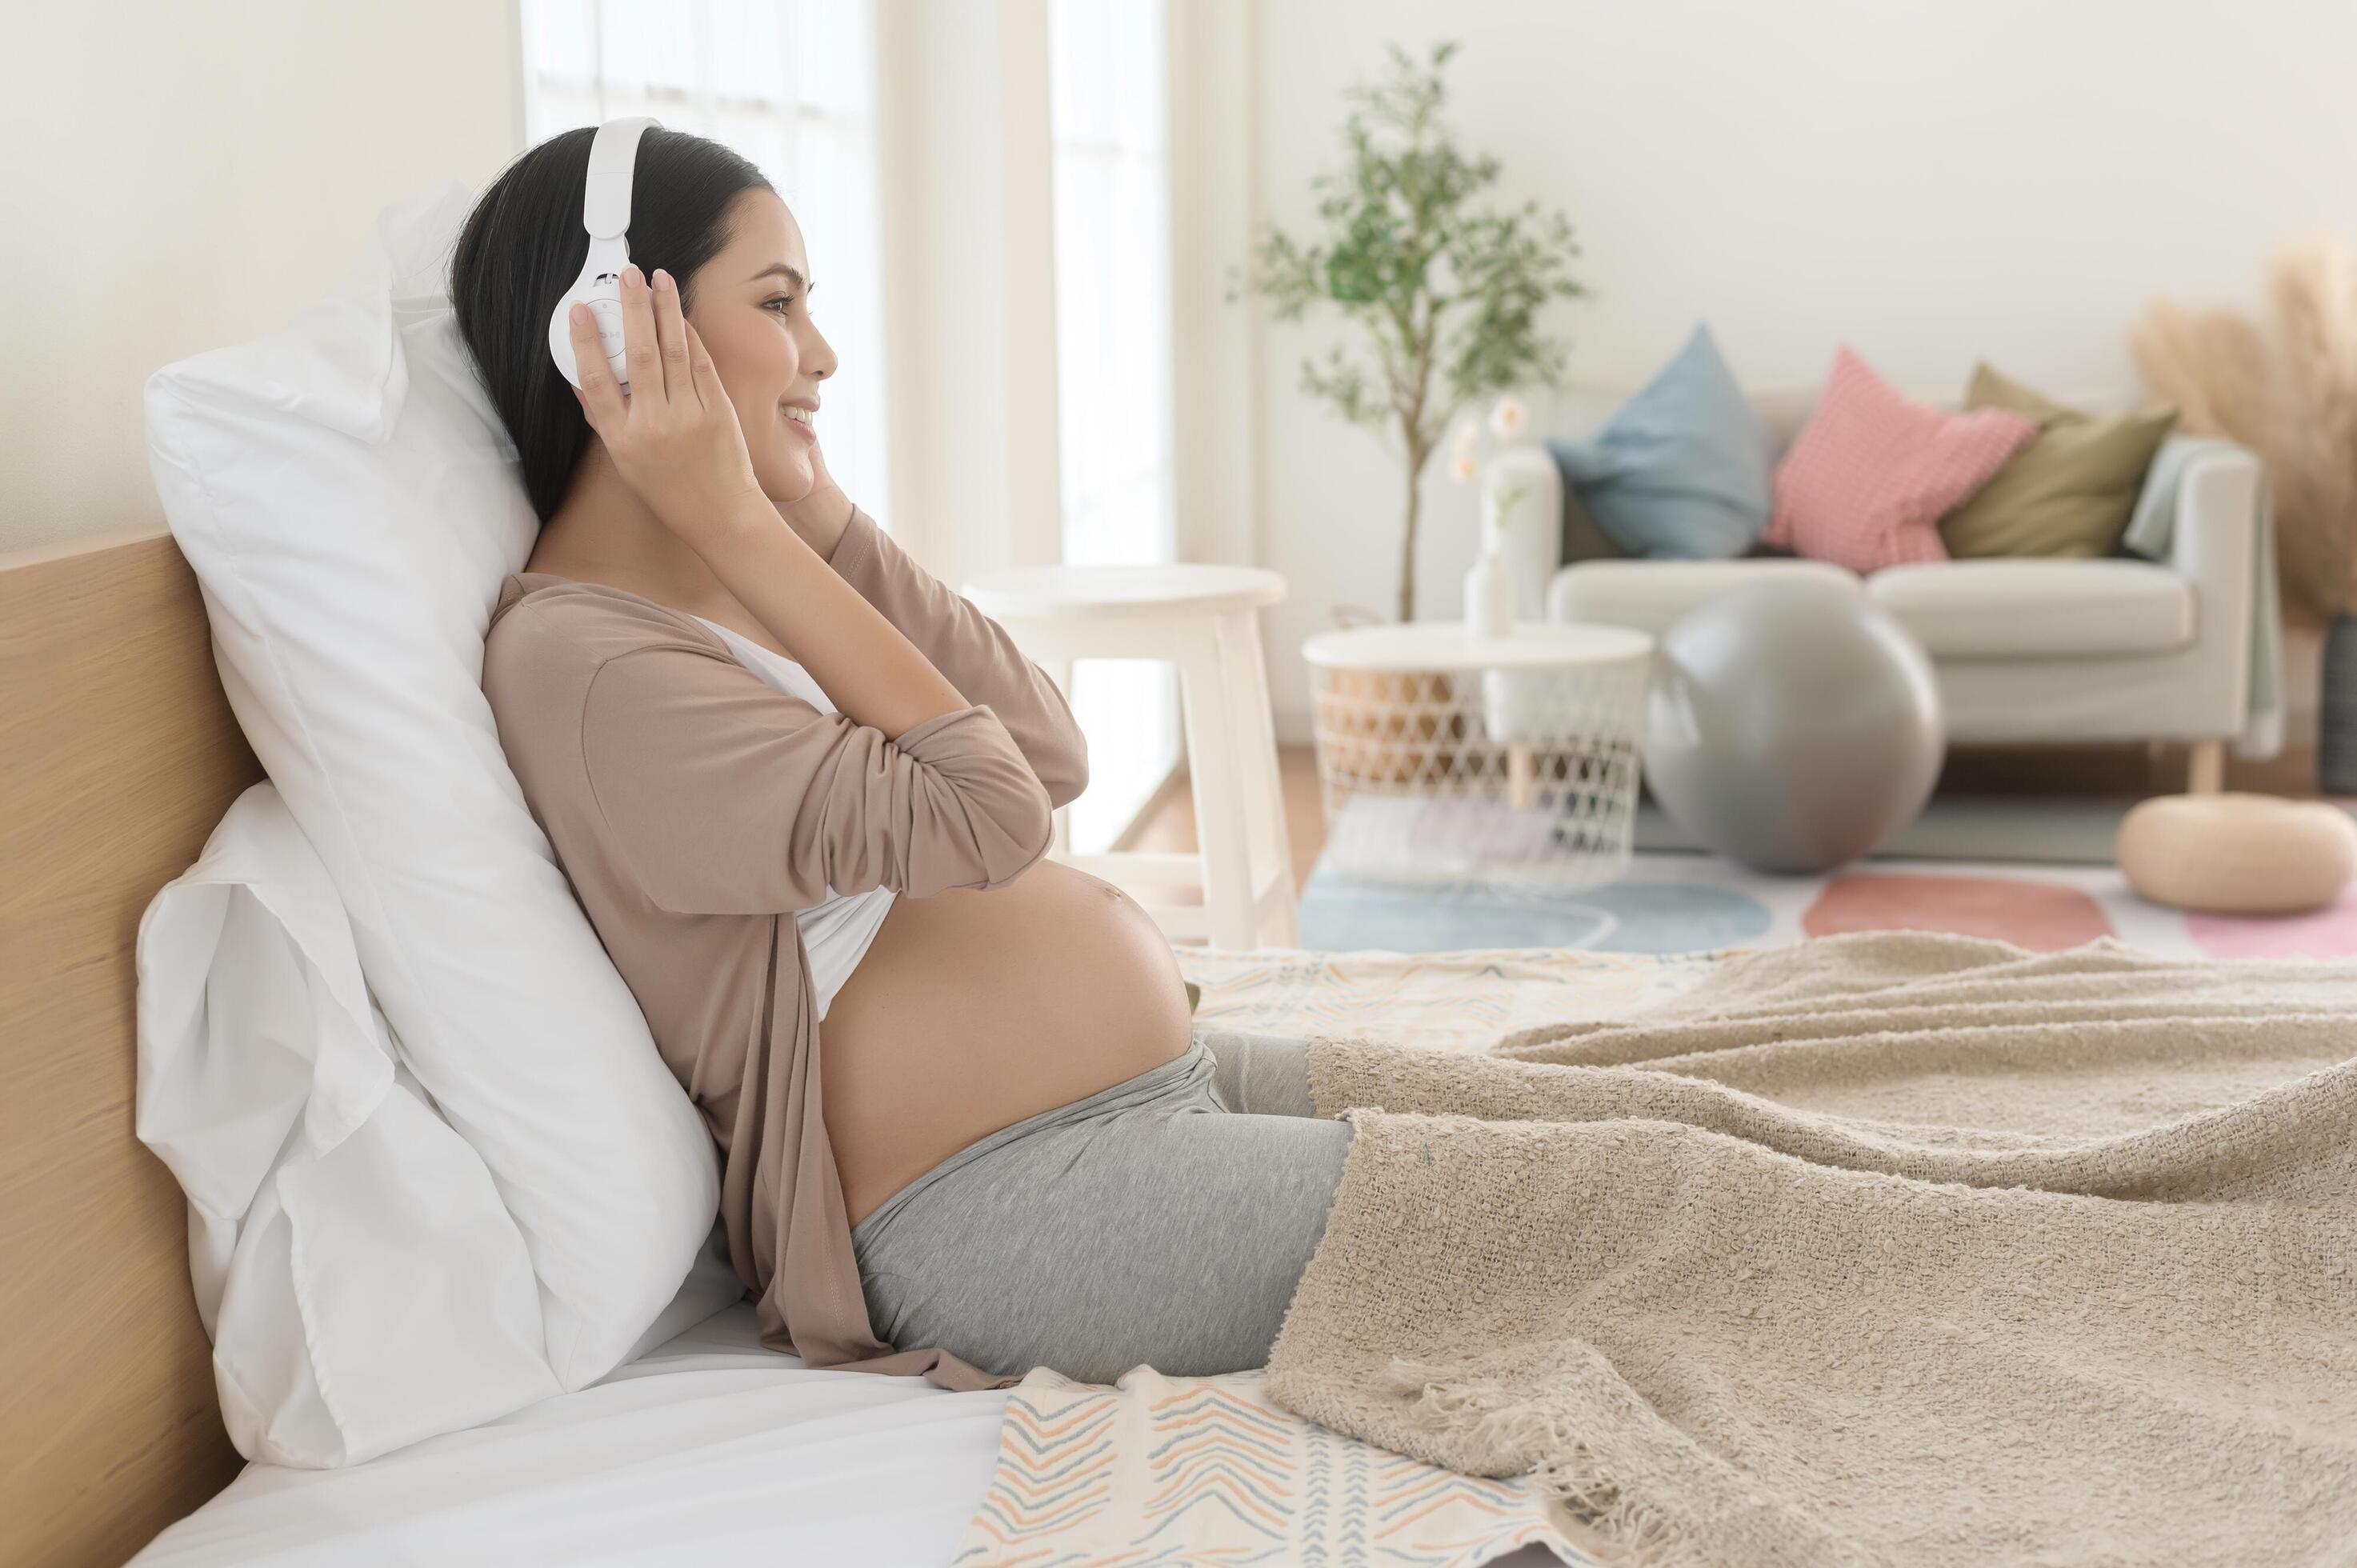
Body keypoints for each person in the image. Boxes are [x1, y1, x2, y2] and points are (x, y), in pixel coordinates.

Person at [454, 126, 1353, 1389]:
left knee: (1665, 1120)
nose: (821, 354)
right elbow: (991, 819)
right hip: (991, 1204)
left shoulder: (730, 592)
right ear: (608, 332)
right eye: (777, 304)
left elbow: (1044, 752)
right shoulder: (589, 670)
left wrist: (809, 516)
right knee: (1675, 1201)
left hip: (1129, 1107)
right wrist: (735, 516)